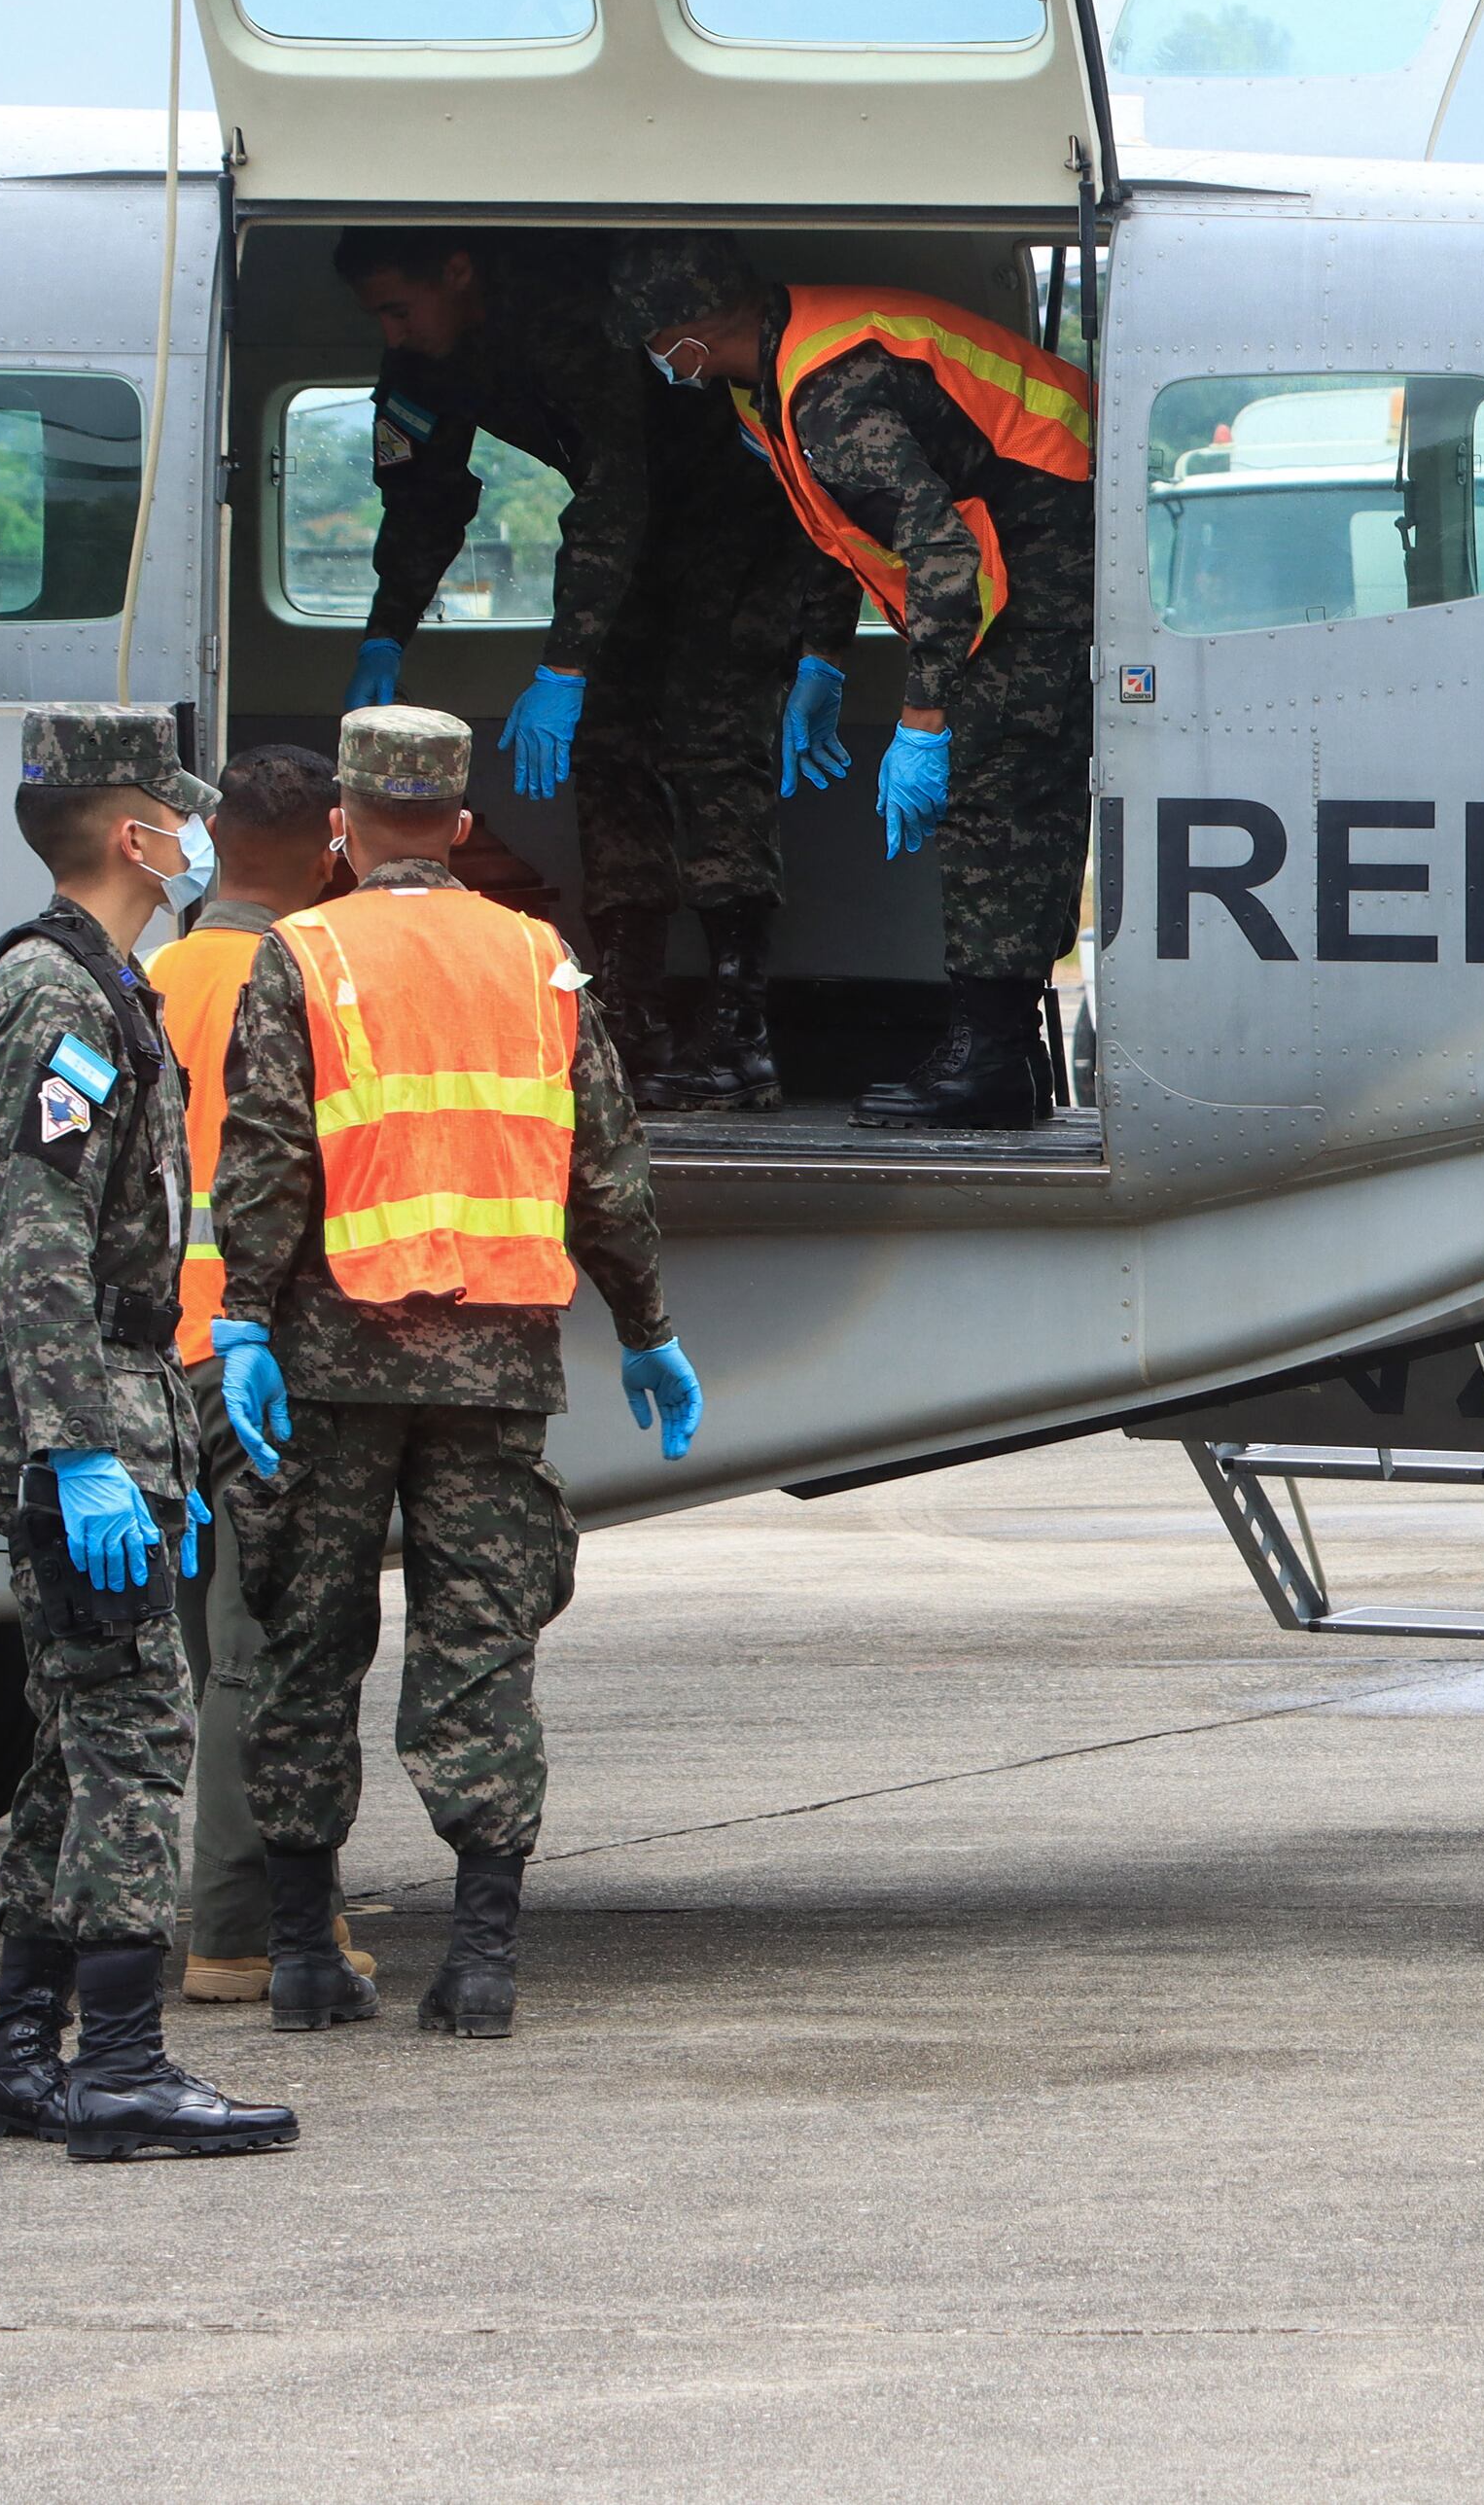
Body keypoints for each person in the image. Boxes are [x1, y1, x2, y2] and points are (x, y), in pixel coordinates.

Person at [206, 707, 703, 2040]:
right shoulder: (539, 959)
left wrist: (243, 1320)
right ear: (466, 827)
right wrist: (646, 1322)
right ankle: (481, 1964)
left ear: (339, 828)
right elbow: (608, 1161)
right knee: (481, 1647)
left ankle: (307, 1956)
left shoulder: (302, 954)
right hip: (498, 1365)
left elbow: (264, 1156)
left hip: (330, 1359)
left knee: (307, 1645)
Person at [0, 705, 297, 2162]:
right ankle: (127, 2062)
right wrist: (80, 1446)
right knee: (138, 1735)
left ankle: (26, 2053)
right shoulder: (62, 997)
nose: (199, 831)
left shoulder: (100, 982)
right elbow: (36, 1236)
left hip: (114, 1405)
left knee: (69, 1745)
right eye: (179, 810)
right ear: (137, 834)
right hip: (76, 1414)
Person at [335, 229, 839, 1096]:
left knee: (712, 754)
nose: (393, 333)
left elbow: (616, 486)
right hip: (628, 560)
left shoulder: (568, 316)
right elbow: (424, 498)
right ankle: (630, 1014)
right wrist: (387, 633)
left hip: (734, 534)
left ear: (460, 267)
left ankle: (738, 1031)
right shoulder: (427, 362)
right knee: (609, 762)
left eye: (398, 308)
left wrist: (563, 666)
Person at [607, 238, 1090, 1130]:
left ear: (697, 332)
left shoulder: (829, 390)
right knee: (1002, 781)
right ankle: (1004, 1050)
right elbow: (838, 526)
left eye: (653, 338)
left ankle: (990, 1058)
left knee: (999, 782)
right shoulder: (772, 386)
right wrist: (824, 657)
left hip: (1057, 521)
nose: (653, 358)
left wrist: (923, 716)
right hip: (1024, 522)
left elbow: (943, 556)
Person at [148, 742, 378, 2008]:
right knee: (271, 1659)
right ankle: (237, 1928)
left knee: (204, 1659)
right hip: (264, 1366)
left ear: (212, 839)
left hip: (157, 1362)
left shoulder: (148, 978)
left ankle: (260, 1908)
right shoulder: (316, 981)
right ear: (328, 838)